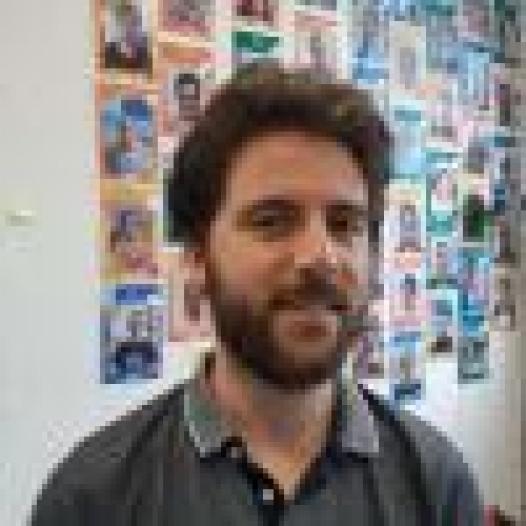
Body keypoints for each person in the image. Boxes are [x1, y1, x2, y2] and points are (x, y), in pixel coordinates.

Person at [31, 62, 483, 525]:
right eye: (272, 221)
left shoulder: (437, 485)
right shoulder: (92, 500)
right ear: (197, 257)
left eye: (344, 224)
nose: (320, 256)